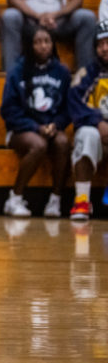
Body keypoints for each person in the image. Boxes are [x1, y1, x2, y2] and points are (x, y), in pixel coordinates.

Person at [0, 24, 72, 218]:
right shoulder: (18, 71)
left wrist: (55, 125)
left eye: (47, 41)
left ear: (53, 44)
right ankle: (15, 198)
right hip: (20, 129)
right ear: (30, 45)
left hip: (51, 127)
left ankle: (55, 200)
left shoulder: (62, 72)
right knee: (38, 144)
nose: (43, 46)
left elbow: (68, 109)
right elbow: (8, 110)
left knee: (63, 142)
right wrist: (35, 127)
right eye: (37, 42)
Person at [67, 21, 108, 221]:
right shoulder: (87, 73)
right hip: (97, 134)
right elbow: (74, 104)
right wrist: (98, 122)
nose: (105, 47)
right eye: (100, 43)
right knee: (86, 134)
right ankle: (82, 200)